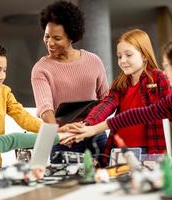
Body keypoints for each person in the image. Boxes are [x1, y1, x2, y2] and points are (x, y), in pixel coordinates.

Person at [73, 35, 172, 167]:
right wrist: (90, 127)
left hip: (151, 151)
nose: (165, 72)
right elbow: (138, 115)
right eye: (119, 56)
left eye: (167, 66)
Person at [0, 38, 73, 170]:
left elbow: (24, 118)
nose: (2, 76)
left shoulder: (4, 92)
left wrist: (55, 130)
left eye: (4, 70)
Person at [31, 1, 109, 159]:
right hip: (63, 140)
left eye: (57, 38)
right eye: (47, 36)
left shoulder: (93, 61)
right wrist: (58, 133)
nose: (50, 43)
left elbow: (106, 100)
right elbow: (45, 108)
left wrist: (89, 127)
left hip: (96, 137)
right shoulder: (41, 69)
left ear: (71, 37)